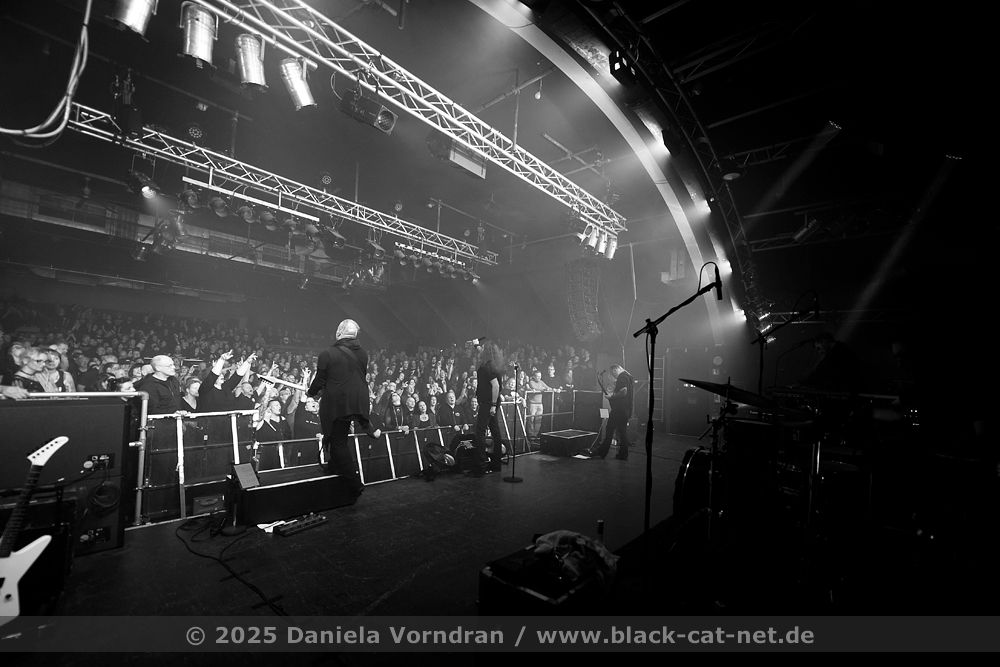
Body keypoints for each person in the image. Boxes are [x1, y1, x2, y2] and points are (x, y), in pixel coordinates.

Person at [307, 319, 380, 497]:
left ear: (339, 332)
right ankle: (334, 466)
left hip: (336, 404)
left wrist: (311, 393)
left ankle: (355, 482)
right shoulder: (363, 353)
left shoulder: (327, 353)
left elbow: (320, 379)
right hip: (357, 401)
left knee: (338, 442)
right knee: (339, 436)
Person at [472, 341, 509, 475]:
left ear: (486, 351)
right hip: (490, 402)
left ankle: (480, 466)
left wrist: (493, 405)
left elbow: (496, 386)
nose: (480, 349)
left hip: (488, 403)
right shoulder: (493, 365)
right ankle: (496, 464)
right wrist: (476, 346)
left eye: (482, 348)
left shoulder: (488, 367)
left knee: (480, 431)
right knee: (495, 431)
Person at [589, 364, 634, 460]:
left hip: (619, 410)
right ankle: (623, 454)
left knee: (609, 429)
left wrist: (612, 396)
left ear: (616, 370)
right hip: (626, 410)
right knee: (622, 432)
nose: (614, 376)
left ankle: (602, 451)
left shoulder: (622, 377)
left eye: (613, 374)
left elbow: (624, 391)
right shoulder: (629, 377)